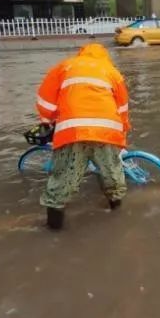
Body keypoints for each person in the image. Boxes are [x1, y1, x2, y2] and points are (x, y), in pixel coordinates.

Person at [35, 43, 130, 230]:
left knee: (63, 178)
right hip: (107, 131)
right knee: (112, 173)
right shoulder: (112, 71)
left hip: (73, 130)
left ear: (81, 54)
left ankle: (53, 227)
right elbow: (123, 108)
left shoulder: (65, 66)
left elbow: (45, 101)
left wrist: (50, 120)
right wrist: (122, 133)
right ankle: (117, 214)